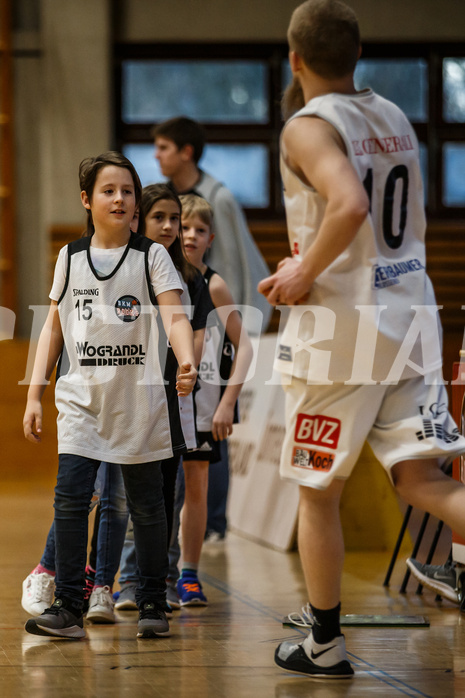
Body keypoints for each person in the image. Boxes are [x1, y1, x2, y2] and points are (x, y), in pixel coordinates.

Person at [258, 0, 465, 679]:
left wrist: (298, 273)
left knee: (317, 492)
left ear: (294, 58)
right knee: (420, 479)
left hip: (343, 327)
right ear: (355, 53)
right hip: (410, 314)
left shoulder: (308, 126)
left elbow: (348, 204)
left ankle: (322, 641)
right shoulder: (393, 113)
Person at [23, 151, 197, 640]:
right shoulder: (70, 256)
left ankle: (150, 602)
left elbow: (175, 317)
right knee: (71, 501)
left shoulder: (152, 256)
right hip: (80, 401)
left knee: (146, 506)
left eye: (127, 191)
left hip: (138, 403)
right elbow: (52, 328)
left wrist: (186, 360)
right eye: (108, 190)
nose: (119, 199)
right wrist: (35, 393)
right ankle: (69, 609)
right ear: (87, 199)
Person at [116, 183, 213, 612]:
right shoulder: (124, 268)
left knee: (166, 495)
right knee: (123, 497)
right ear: (139, 219)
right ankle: (123, 580)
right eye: (162, 218)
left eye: (177, 219)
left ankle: (164, 581)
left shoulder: (193, 279)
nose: (172, 227)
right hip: (127, 399)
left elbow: (194, 337)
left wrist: (189, 365)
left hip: (174, 399)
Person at [166, 193, 253, 607]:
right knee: (159, 491)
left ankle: (189, 575)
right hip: (163, 399)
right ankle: (148, 574)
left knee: (196, 490)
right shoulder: (157, 274)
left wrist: (226, 404)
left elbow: (246, 348)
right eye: (184, 227)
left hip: (203, 404)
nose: (190, 235)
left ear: (211, 238)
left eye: (200, 230)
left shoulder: (214, 283)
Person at [153, 116, 271, 336]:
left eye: (163, 147)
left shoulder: (218, 198)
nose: (156, 155)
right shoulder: (159, 197)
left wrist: (229, 325)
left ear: (186, 152)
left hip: (210, 316)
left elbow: (231, 266)